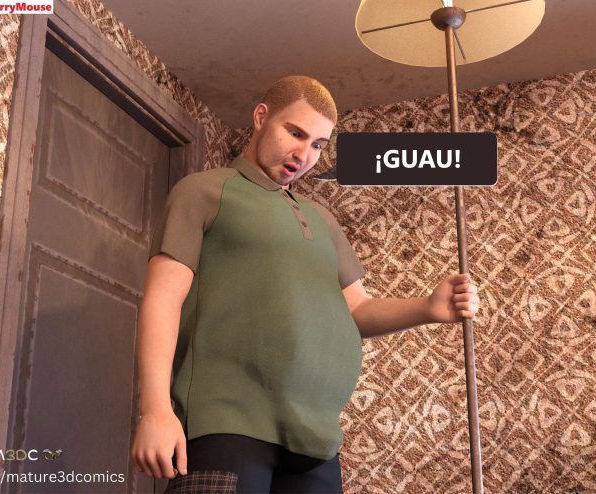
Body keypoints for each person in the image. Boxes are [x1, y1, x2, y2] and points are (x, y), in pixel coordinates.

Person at [131, 75, 480, 493]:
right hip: (226, 424)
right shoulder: (204, 191)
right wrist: (155, 408)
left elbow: (357, 310)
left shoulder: (322, 219)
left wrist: (427, 308)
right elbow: (163, 298)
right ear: (261, 117)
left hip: (316, 441)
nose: (304, 154)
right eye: (295, 133)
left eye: (317, 144)